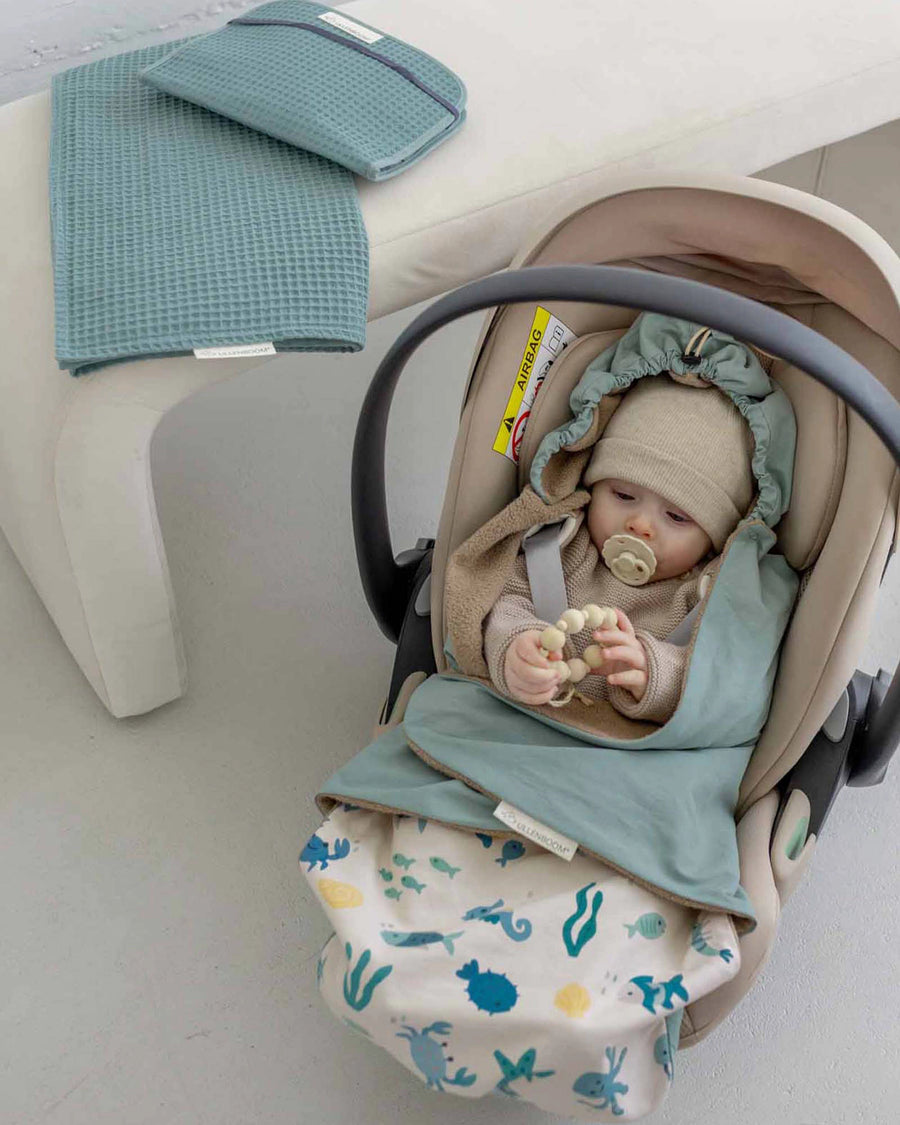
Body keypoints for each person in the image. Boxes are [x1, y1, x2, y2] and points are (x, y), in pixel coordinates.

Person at [483, 373, 756, 722]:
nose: (640, 525)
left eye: (676, 517)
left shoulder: (703, 597)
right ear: (593, 488)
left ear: (711, 542)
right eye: (624, 496)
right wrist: (515, 649)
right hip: (524, 722)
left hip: (626, 747)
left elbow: (724, 684)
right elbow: (503, 598)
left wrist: (654, 676)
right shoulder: (564, 547)